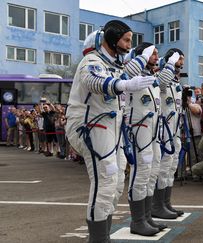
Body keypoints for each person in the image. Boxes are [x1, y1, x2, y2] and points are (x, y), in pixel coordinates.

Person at [65, 20, 155, 242]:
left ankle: (103, 234)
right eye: (126, 40)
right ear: (113, 39)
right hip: (91, 125)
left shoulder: (116, 66)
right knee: (105, 180)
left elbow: (125, 74)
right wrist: (122, 85)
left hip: (111, 128)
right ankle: (98, 239)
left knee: (115, 184)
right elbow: (94, 81)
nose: (128, 45)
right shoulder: (92, 61)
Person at [122, 42, 167, 235]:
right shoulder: (133, 73)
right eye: (153, 54)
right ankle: (137, 220)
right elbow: (127, 72)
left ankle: (147, 216)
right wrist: (142, 55)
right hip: (139, 128)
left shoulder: (152, 76)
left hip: (153, 130)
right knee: (141, 171)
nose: (157, 57)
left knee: (152, 169)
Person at [152, 48, 185, 220]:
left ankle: (165, 202)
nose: (182, 63)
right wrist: (169, 64)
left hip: (175, 129)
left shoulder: (176, 82)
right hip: (163, 129)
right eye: (179, 60)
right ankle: (157, 206)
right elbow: (161, 85)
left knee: (171, 167)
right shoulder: (161, 78)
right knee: (164, 166)